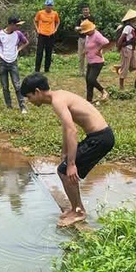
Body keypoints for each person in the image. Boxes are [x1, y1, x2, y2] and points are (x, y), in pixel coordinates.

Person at [20, 73, 115, 227]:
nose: (30, 101)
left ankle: (79, 212)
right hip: (99, 137)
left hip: (100, 138)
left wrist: (71, 163)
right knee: (64, 170)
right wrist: (65, 152)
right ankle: (75, 208)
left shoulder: (57, 101)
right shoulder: (59, 96)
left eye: (29, 97)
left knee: (65, 171)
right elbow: (67, 128)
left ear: (37, 91)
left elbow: (72, 131)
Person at [0, 16, 29, 113]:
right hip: (2, 62)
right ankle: (9, 106)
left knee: (17, 85)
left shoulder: (18, 34)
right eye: (17, 25)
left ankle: (22, 106)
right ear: (11, 24)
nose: (18, 27)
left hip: (13, 61)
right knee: (5, 86)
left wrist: (18, 50)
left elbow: (26, 42)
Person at [79, 20, 110, 102]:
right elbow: (89, 45)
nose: (86, 33)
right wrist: (85, 50)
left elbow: (106, 42)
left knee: (91, 79)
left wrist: (98, 50)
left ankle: (103, 91)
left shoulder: (96, 35)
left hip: (97, 61)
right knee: (88, 81)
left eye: (87, 31)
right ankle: (89, 100)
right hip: (90, 61)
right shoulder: (88, 36)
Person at [115, 9, 136, 89]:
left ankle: (120, 66)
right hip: (126, 48)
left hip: (131, 48)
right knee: (125, 68)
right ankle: (121, 86)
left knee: (134, 66)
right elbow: (122, 37)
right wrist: (119, 47)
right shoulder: (128, 27)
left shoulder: (132, 27)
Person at [34, 0, 60, 73]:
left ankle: (47, 69)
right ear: (45, 6)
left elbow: (58, 22)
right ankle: (37, 69)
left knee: (49, 52)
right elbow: (35, 21)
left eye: (50, 6)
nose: (49, 7)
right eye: (47, 6)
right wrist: (37, 29)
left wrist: (55, 29)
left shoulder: (55, 13)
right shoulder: (40, 13)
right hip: (42, 34)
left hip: (50, 35)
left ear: (52, 6)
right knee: (39, 52)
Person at [75, 4, 95, 77]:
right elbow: (76, 28)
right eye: (84, 10)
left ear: (89, 10)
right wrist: (81, 28)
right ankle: (81, 72)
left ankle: (88, 71)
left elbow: (91, 27)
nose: (85, 11)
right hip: (81, 38)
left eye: (86, 10)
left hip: (89, 38)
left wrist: (81, 28)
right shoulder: (79, 18)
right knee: (81, 56)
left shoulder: (92, 18)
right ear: (82, 11)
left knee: (89, 55)